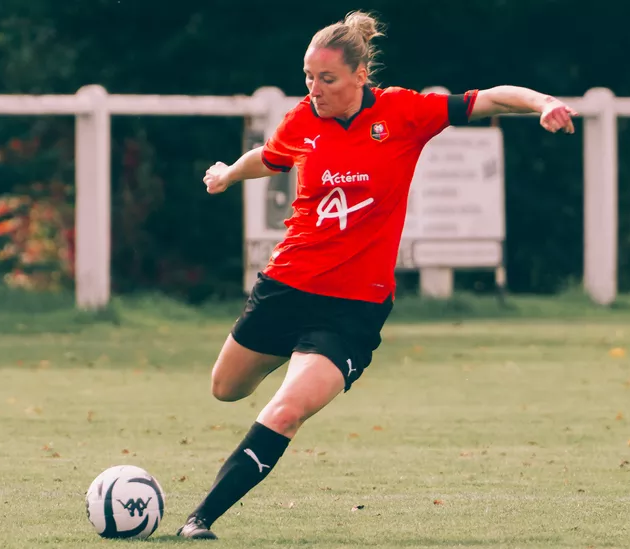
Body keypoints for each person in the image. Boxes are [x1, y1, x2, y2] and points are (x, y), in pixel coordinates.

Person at [176, 10, 576, 540]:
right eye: (309, 78)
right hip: (286, 287)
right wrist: (228, 173)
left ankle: (199, 519)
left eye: (328, 79)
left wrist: (542, 103)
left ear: (361, 75)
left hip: (351, 310)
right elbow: (270, 158)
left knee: (287, 409)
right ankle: (293, 355)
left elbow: (491, 98)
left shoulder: (404, 114)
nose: (315, 90)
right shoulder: (303, 121)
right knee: (225, 389)